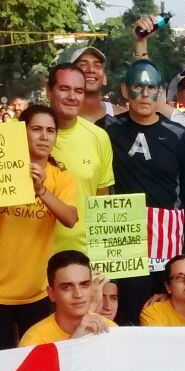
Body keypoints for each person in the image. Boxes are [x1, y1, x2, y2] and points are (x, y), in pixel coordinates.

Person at [0, 105, 79, 349]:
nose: (44, 136)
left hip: (36, 292)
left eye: (50, 130)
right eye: (36, 129)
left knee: (36, 367)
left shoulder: (61, 177)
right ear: (21, 132)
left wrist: (41, 191)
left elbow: (70, 218)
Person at [101, 60, 185, 325]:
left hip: (167, 246)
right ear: (124, 90)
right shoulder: (106, 129)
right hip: (125, 244)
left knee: (167, 318)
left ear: (160, 92)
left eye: (151, 87)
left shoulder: (177, 134)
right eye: (137, 86)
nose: (144, 94)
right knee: (130, 318)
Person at [45, 64, 115, 255]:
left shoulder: (99, 137)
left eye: (78, 91)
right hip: (33, 257)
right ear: (48, 90)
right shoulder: (22, 133)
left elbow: (103, 203)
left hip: (84, 256)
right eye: (64, 89)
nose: (72, 97)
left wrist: (103, 260)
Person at [19, 251, 116, 346]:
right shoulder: (34, 341)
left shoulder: (112, 330)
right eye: (67, 287)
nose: (78, 294)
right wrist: (74, 343)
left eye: (84, 285)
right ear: (51, 293)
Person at [57, 45, 116, 125]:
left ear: (104, 78)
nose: (91, 70)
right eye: (83, 65)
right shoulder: (55, 121)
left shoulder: (120, 117)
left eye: (97, 66)